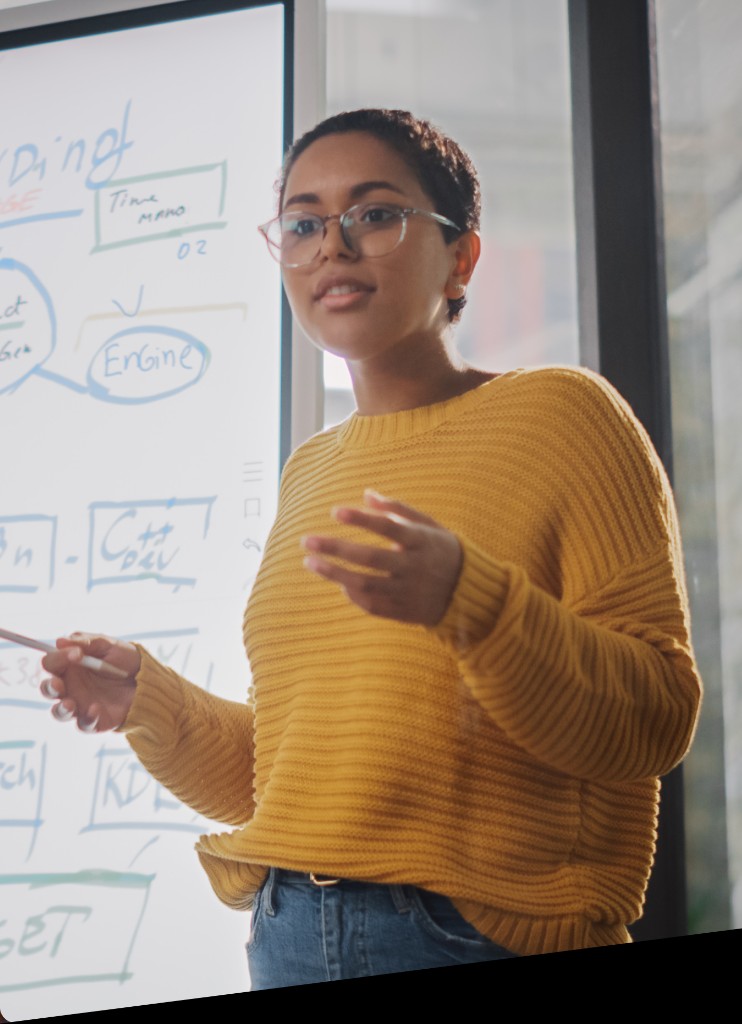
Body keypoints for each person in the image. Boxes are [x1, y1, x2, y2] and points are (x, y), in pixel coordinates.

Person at [40, 108, 703, 988]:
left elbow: (656, 717)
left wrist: (471, 600)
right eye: (305, 223)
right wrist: (146, 701)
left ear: (462, 255)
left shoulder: (564, 416)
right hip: (286, 927)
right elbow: (290, 782)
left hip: (476, 934)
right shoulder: (311, 469)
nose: (332, 247)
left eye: (375, 214)